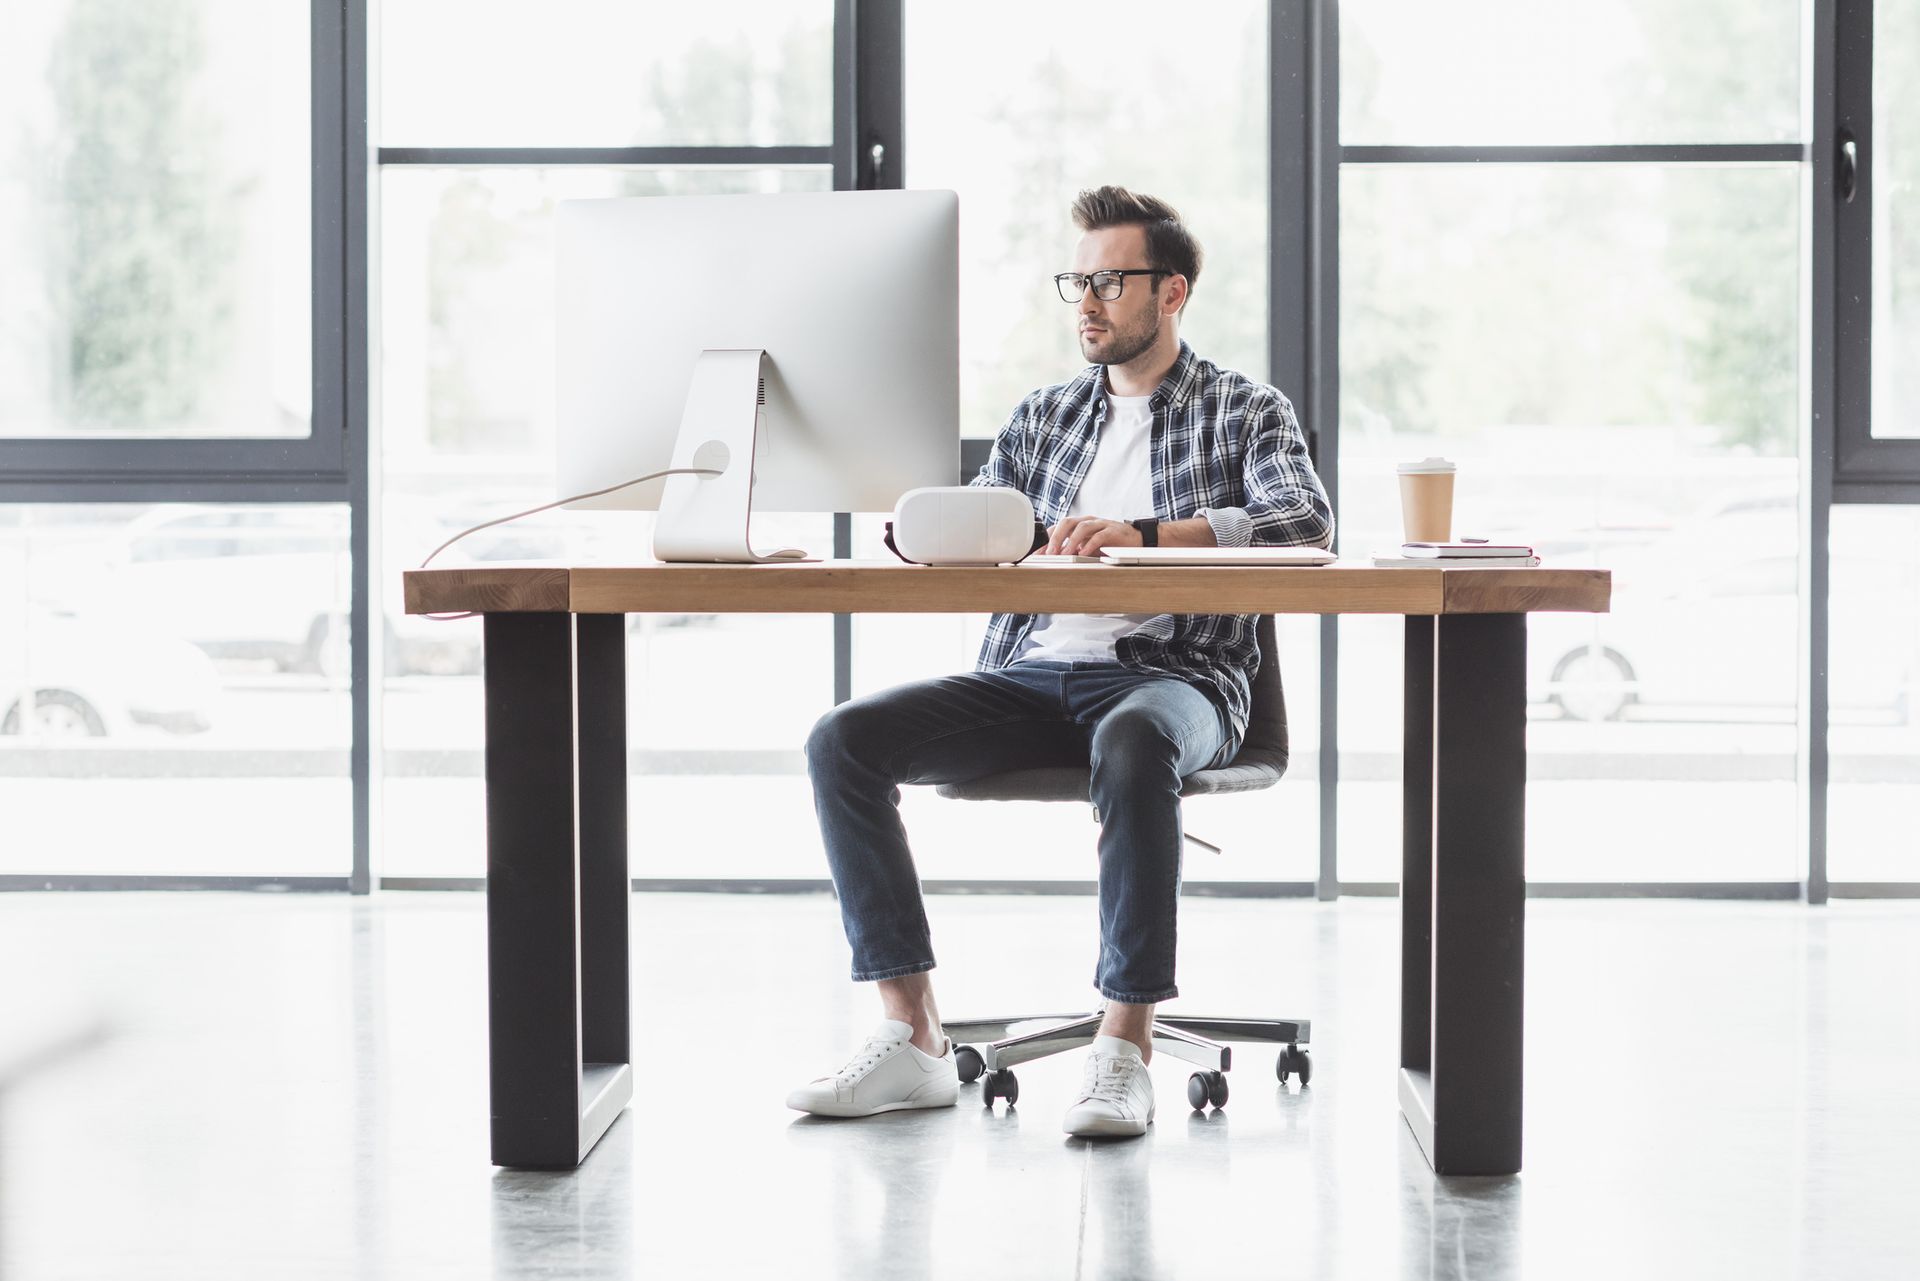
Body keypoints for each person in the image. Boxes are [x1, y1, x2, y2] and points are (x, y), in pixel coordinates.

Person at [788, 186, 1334, 1138]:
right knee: (844, 740)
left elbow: (1304, 523)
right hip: (1034, 674)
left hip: (1178, 680)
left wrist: (1151, 536)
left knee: (1132, 737)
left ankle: (1124, 1046)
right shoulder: (1044, 417)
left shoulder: (1245, 409)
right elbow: (978, 523)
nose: (1087, 301)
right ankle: (912, 1037)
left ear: (1172, 293)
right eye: (1076, 281)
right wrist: (926, 527)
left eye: (1110, 281)